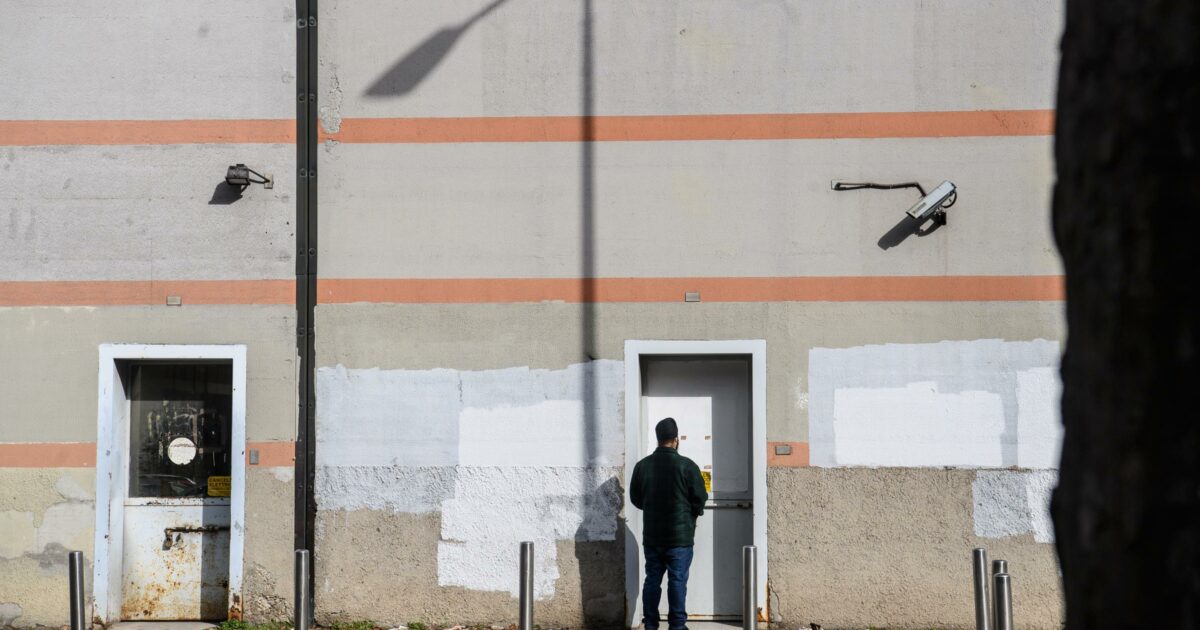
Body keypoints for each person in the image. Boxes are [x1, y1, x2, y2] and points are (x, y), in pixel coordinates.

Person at [629, 417, 709, 630]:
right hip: (680, 539)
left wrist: (653, 508)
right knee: (677, 581)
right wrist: (694, 514)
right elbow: (700, 497)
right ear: (675, 440)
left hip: (653, 537)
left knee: (652, 579)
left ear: (658, 439)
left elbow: (636, 499)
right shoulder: (687, 466)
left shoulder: (642, 466)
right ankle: (677, 626)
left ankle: (651, 625)